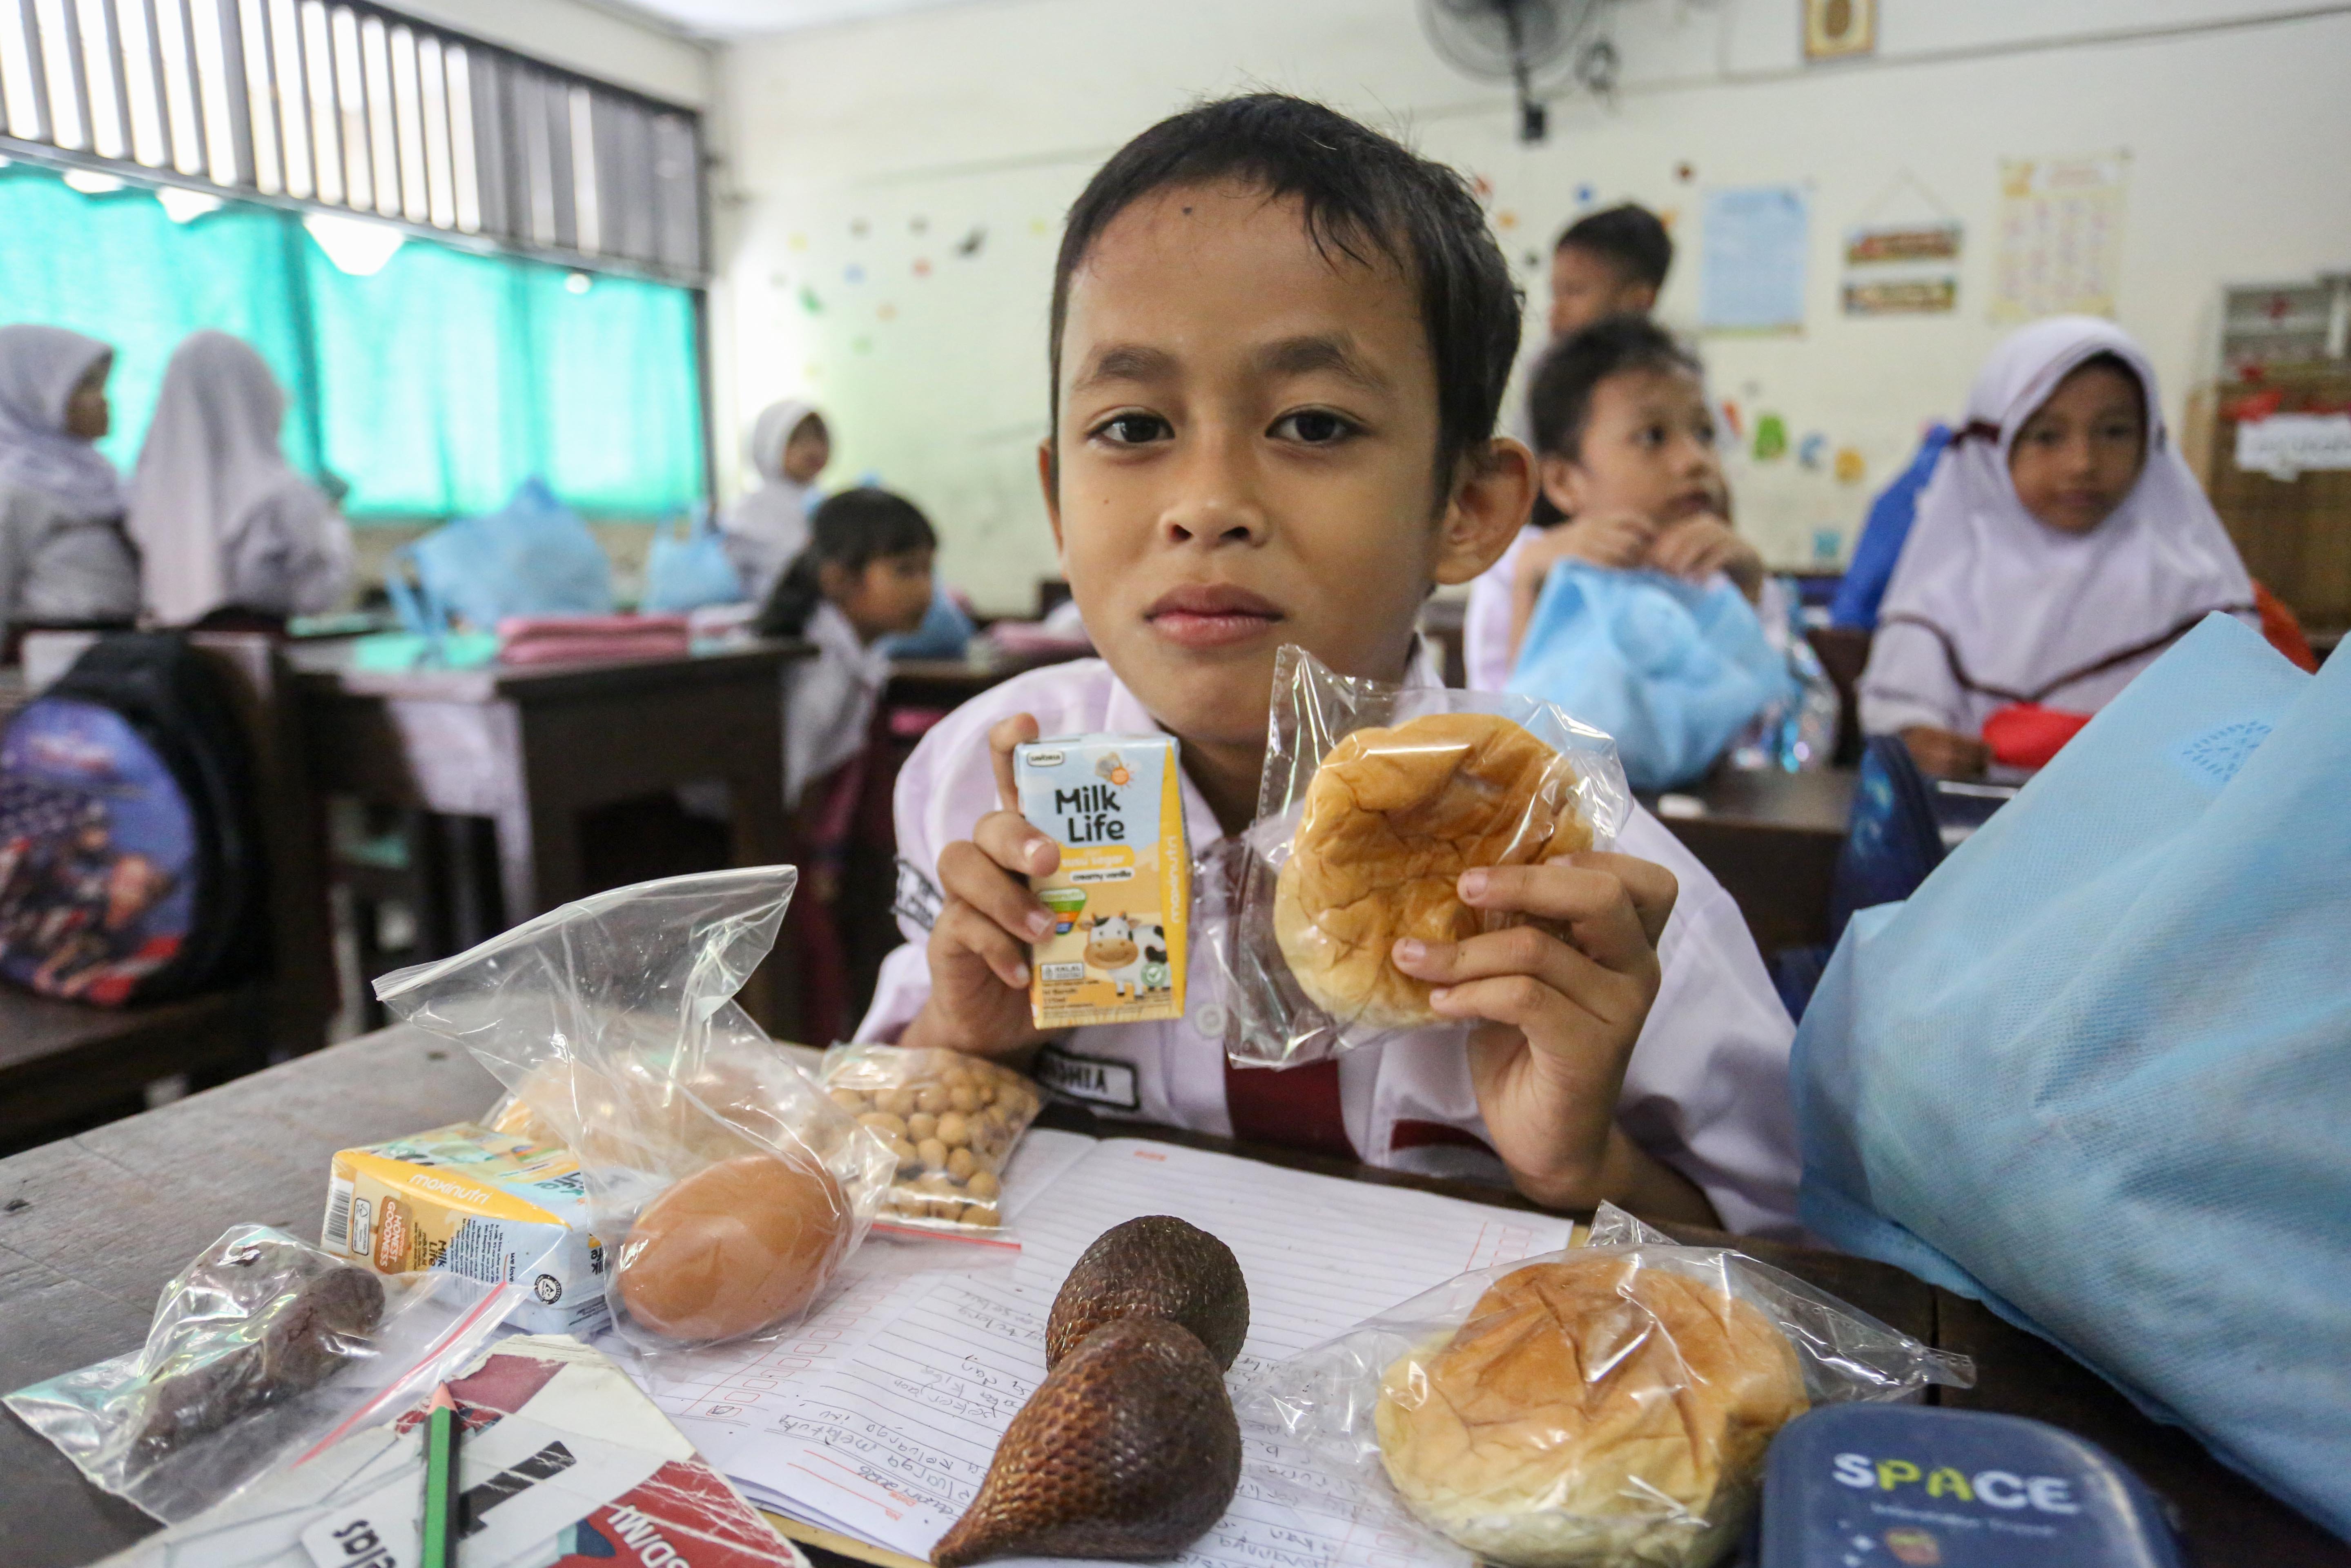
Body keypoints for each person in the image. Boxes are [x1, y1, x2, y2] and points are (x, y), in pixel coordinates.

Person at [854, 95, 1800, 1235]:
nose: (1204, 505)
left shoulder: (1591, 900)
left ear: (1465, 504)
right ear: (1059, 499)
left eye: (1309, 424)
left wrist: (1580, 1164)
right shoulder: (985, 788)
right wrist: (963, 1043)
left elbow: (1791, 1259)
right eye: (1132, 428)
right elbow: (880, 1155)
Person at [1859, 317, 2259, 779]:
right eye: (2047, 437)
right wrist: (1917, 744)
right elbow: (1896, 714)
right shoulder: (1942, 592)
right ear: (1993, 449)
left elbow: (2239, 736)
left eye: (2114, 433)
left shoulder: (2198, 593)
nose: (2083, 464)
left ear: (2150, 440)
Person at [1493, 317, 1765, 683]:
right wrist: (1531, 584)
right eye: (1653, 437)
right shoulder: (1521, 567)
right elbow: (1507, 726)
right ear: (1564, 482)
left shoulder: (1726, 574)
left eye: (1704, 433)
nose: (1697, 459)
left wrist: (1746, 596)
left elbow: (1774, 724)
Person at [128, 331, 352, 630]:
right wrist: (332, 525)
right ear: (259, 394)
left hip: (165, 660)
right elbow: (315, 595)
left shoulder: (139, 494)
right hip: (261, 661)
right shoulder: (280, 494)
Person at [757, 486, 938, 809]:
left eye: (928, 570)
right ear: (838, 579)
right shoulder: (818, 666)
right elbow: (780, 794)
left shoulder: (862, 653)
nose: (925, 590)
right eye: (905, 570)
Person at [0, 324, 138, 646]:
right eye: (87, 385)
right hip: (46, 666)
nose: (104, 402)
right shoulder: (13, 490)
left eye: (104, 386)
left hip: (119, 650)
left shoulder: (104, 478)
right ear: (30, 390)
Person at [724, 399, 831, 602]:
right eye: (798, 440)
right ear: (769, 443)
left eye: (819, 438)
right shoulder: (748, 511)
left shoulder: (826, 504)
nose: (813, 449)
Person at [1545, 203, 1674, 341]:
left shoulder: (1660, 362)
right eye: (1556, 293)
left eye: (1575, 291)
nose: (1556, 311)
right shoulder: (1554, 360)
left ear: (1639, 302)